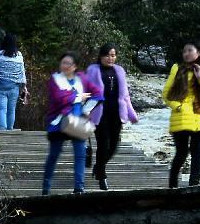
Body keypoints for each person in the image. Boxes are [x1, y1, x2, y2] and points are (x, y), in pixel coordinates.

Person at [42, 52, 102, 195]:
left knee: (80, 154)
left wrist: (87, 108)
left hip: (76, 122)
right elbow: (59, 98)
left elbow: (98, 93)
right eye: (63, 62)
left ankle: (79, 187)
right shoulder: (54, 79)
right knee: (54, 155)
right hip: (58, 123)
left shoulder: (82, 78)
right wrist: (77, 97)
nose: (65, 66)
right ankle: (46, 186)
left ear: (75, 66)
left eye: (68, 63)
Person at [163, 40, 200, 188]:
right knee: (181, 152)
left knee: (197, 150)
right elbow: (166, 94)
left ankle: (194, 184)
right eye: (184, 51)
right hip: (181, 116)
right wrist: (178, 107)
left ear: (199, 53)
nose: (186, 54)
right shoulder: (177, 68)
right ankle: (172, 184)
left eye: (190, 50)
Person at [85, 44, 138, 191]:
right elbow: (85, 91)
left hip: (116, 113)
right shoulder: (93, 70)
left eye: (113, 55)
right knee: (103, 144)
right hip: (99, 113)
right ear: (101, 56)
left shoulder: (119, 71)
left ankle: (98, 166)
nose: (111, 58)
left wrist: (132, 114)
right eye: (108, 55)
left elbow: (125, 96)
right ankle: (102, 177)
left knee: (114, 146)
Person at [0, 33, 27, 130]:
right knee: (11, 110)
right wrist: (24, 86)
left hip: (0, 86)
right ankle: (10, 129)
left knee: (2, 109)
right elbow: (22, 72)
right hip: (14, 87)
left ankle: (2, 129)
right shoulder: (19, 56)